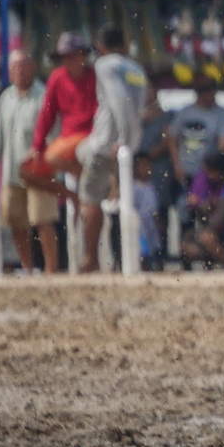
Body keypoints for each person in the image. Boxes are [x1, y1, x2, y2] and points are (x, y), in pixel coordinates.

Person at [75, 25, 147, 274]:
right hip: (128, 148)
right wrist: (130, 141)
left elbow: (120, 101)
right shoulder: (136, 69)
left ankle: (90, 258)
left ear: (101, 47)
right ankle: (119, 259)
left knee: (90, 200)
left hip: (109, 144)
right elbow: (139, 107)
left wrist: (123, 139)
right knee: (121, 201)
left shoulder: (105, 64)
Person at [0, 48, 56, 275]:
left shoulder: (43, 95)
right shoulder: (6, 98)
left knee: (43, 221)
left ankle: (51, 271)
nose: (19, 70)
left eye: (24, 64)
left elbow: (53, 134)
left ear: (33, 67)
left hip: (38, 171)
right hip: (12, 173)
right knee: (17, 223)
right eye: (15, 66)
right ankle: (28, 269)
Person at [21, 32, 97, 201]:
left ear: (83, 56)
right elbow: (47, 114)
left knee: (52, 156)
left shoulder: (95, 76)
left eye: (73, 56)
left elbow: (100, 113)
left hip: (89, 135)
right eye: (65, 57)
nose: (69, 61)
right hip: (67, 139)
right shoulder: (57, 77)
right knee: (25, 170)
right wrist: (37, 146)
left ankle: (89, 182)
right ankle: (73, 195)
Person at [165, 74, 224, 201]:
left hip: (206, 173)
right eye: (204, 90)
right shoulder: (185, 112)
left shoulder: (221, 115)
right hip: (184, 170)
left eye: (211, 89)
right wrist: (176, 165)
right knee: (184, 209)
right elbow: (172, 138)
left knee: (203, 208)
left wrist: (210, 171)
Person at [180, 150, 224, 269]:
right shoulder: (204, 178)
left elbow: (220, 220)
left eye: (210, 171)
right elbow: (192, 201)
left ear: (220, 171)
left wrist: (204, 205)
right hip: (209, 228)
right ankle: (208, 264)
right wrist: (203, 205)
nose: (207, 173)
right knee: (186, 243)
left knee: (206, 238)